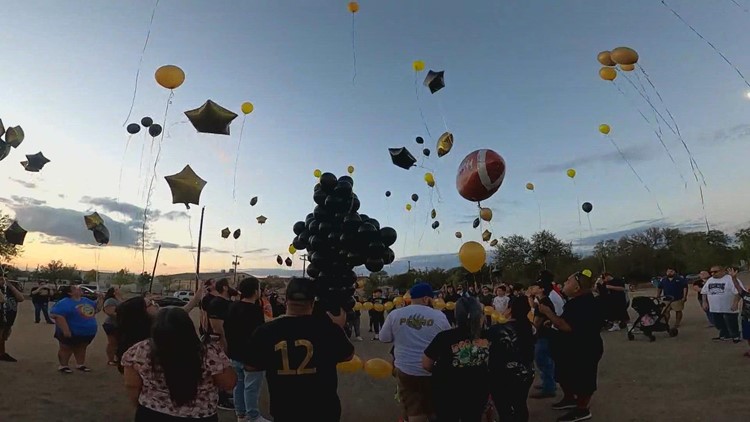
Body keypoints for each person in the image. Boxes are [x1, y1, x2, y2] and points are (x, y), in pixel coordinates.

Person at [242, 277, 354, 422]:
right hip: (324, 410)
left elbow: (250, 366)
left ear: (286, 300)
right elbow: (348, 355)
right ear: (312, 302)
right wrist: (337, 328)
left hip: (286, 410)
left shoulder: (265, 332)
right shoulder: (327, 329)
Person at [122, 307, 237, 422]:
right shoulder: (208, 352)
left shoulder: (139, 350)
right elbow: (228, 383)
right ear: (189, 328)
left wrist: (141, 405)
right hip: (199, 415)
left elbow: (131, 385)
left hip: (152, 412)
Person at [538, 270, 604, 422]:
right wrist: (554, 321)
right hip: (572, 347)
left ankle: (582, 410)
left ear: (576, 289)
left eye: (568, 282)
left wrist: (548, 313)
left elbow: (567, 326)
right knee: (566, 373)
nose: (564, 284)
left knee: (583, 379)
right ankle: (569, 398)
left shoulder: (584, 303)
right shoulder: (575, 302)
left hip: (585, 348)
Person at [380, 283, 451, 422]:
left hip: (406, 370)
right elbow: (447, 341)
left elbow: (384, 338)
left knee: (413, 408)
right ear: (426, 299)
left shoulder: (396, 314)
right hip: (431, 370)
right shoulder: (438, 316)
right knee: (432, 408)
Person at [422, 297, 489, 422]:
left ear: (456, 314)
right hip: (477, 390)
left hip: (447, 391)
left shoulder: (444, 337)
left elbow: (426, 364)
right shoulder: (488, 335)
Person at [224, 277, 270, 422]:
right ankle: (253, 416)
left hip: (235, 355)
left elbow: (227, 329)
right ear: (255, 291)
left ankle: (241, 414)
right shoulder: (256, 311)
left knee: (239, 385)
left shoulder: (232, 307)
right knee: (251, 387)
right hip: (251, 358)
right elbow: (260, 335)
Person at [486, 295, 536, 422]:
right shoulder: (530, 327)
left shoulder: (497, 329)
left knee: (504, 408)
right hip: (525, 373)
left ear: (510, 309)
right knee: (520, 405)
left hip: (502, 375)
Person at [50, 285, 103, 373]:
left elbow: (96, 309)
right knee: (66, 348)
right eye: (75, 288)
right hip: (71, 331)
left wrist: (100, 299)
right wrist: (65, 330)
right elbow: (55, 315)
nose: (79, 289)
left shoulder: (86, 301)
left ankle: (80, 364)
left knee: (82, 347)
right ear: (69, 293)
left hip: (86, 332)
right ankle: (63, 365)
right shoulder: (64, 302)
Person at [529, 272, 563, 400]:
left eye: (535, 286)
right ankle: (547, 383)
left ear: (541, 289)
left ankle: (549, 387)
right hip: (546, 334)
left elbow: (537, 323)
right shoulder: (543, 300)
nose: (532, 288)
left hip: (544, 335)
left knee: (542, 360)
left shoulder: (544, 302)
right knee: (545, 360)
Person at [207, 278, 235, 411]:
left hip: (232, 343)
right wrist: (223, 345)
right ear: (225, 287)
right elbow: (217, 328)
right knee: (220, 371)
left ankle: (226, 396)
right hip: (222, 344)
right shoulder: (217, 303)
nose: (234, 286)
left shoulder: (230, 303)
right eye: (232, 284)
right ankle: (220, 399)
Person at [701, 266, 742, 343]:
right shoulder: (710, 280)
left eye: (715, 272)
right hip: (715, 307)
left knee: (731, 322)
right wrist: (704, 302)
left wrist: (735, 303)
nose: (713, 274)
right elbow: (704, 292)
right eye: (711, 272)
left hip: (728, 307)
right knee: (718, 323)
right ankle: (725, 334)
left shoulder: (730, 279)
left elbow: (739, 292)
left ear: (723, 271)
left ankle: (735, 336)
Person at [0, 277, 24, 362]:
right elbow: (2, 299)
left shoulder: (10, 290)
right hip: (1, 317)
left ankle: (2, 353)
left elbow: (21, 298)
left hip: (9, 318)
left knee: (4, 337)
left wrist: (10, 286)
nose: (3, 281)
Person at [103, 287, 124, 366]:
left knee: (119, 343)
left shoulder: (119, 299)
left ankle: (117, 358)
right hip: (111, 324)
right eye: (117, 289)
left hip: (119, 324)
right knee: (112, 343)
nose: (120, 290)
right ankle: (110, 360)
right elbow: (110, 312)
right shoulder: (110, 301)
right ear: (114, 292)